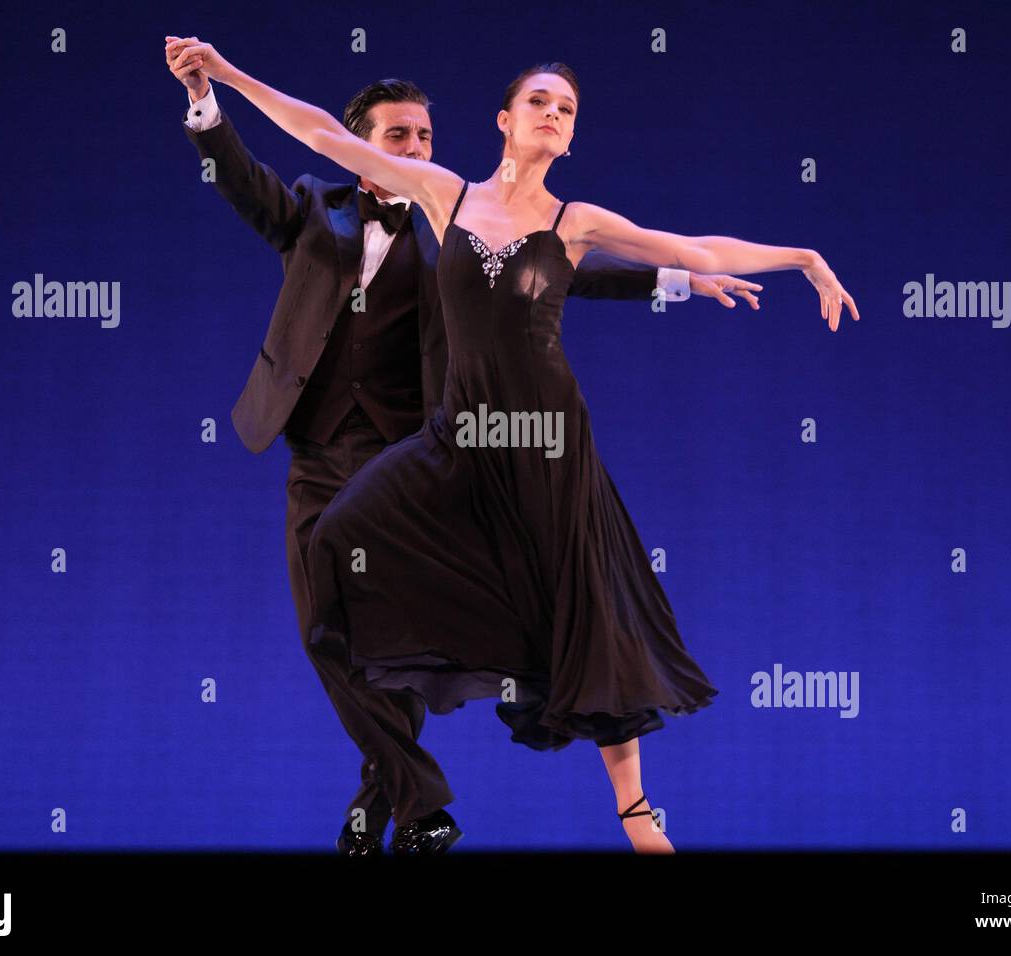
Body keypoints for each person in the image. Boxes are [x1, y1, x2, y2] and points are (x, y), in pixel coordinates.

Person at [166, 38, 763, 855]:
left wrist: (678, 277)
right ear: (364, 143)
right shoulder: (315, 206)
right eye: (397, 137)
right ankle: (402, 786)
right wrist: (214, 95)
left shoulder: (447, 223)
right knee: (325, 623)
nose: (415, 149)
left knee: (453, 614)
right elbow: (258, 174)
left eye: (424, 137)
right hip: (317, 449)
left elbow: (555, 267)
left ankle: (428, 805)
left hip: (415, 450)